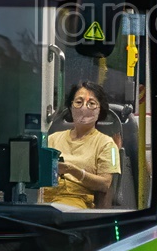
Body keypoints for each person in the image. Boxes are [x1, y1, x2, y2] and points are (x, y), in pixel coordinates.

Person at [43, 81, 120, 210]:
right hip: (42, 198)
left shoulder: (106, 144)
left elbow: (105, 184)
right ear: (71, 107)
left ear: (100, 110)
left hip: (75, 202)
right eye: (79, 102)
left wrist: (72, 170)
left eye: (91, 104)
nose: (84, 108)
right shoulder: (52, 138)